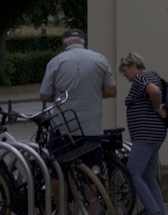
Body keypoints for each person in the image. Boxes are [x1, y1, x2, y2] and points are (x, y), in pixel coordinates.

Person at [39, 28, 117, 156]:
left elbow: (45, 96)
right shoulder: (100, 60)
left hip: (64, 128)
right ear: (83, 42)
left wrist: (62, 95)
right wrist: (92, 93)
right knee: (93, 170)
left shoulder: (55, 62)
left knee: (59, 169)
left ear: (64, 44)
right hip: (92, 128)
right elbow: (111, 91)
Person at [118, 52, 168, 215]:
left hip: (145, 135)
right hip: (155, 135)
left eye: (125, 70)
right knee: (149, 177)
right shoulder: (153, 75)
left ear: (134, 66)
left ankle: (153, 211)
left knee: (132, 173)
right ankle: (160, 213)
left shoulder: (141, 78)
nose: (124, 74)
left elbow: (154, 92)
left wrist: (156, 108)